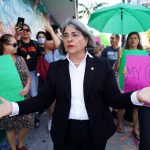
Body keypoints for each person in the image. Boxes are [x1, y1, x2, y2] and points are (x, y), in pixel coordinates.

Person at [0, 19, 150, 150]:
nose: (69, 39)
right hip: (65, 131)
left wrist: (137, 96)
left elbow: (114, 99)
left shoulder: (102, 65)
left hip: (95, 131)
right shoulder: (56, 68)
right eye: (65, 35)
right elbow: (43, 99)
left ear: (86, 40)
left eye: (75, 35)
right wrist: (14, 107)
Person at [0, 34, 33, 150]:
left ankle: (21, 145)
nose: (17, 46)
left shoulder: (20, 59)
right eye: (14, 44)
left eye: (17, 44)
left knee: (26, 122)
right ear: (4, 45)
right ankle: (13, 148)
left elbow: (29, 76)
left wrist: (28, 86)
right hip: (6, 99)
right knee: (9, 126)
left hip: (24, 97)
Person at [114, 32, 144, 140]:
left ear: (138, 40)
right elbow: (116, 69)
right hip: (124, 82)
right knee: (121, 104)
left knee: (137, 106)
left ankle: (135, 128)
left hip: (138, 83)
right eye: (131, 38)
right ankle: (119, 124)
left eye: (135, 38)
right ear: (127, 41)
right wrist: (119, 57)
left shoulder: (143, 54)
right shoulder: (123, 52)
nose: (133, 40)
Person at [15, 24, 42, 128]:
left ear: (30, 31)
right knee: (22, 96)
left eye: (27, 30)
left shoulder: (35, 43)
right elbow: (10, 48)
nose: (25, 31)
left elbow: (40, 56)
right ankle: (23, 118)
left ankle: (35, 118)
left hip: (33, 73)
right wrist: (16, 34)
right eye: (23, 30)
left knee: (34, 95)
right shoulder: (18, 43)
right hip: (19, 73)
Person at [101, 34, 120, 119]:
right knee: (107, 92)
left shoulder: (121, 50)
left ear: (118, 39)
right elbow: (101, 61)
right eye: (110, 38)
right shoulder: (106, 50)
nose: (111, 40)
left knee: (116, 93)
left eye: (113, 38)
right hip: (107, 75)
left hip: (118, 76)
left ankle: (114, 110)